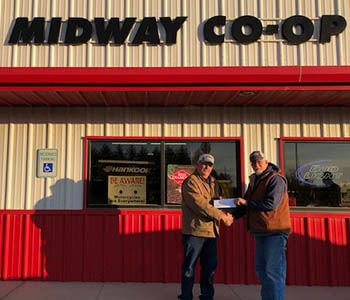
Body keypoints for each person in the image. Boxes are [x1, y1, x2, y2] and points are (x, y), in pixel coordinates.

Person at [235, 150, 291, 300]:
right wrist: (230, 216)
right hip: (261, 232)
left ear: (266, 162)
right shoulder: (255, 180)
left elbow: (271, 204)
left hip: (275, 232)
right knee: (262, 270)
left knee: (273, 271)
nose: (256, 164)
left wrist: (246, 202)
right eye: (253, 162)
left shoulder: (276, 179)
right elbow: (245, 204)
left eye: (259, 161)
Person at [178, 153, 233, 300]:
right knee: (189, 267)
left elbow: (216, 203)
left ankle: (207, 296)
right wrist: (222, 216)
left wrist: (230, 207)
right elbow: (200, 205)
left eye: (210, 165)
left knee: (209, 268)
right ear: (197, 164)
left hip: (211, 232)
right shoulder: (191, 182)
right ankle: (186, 296)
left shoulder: (214, 182)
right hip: (195, 231)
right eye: (203, 163)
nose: (206, 167)